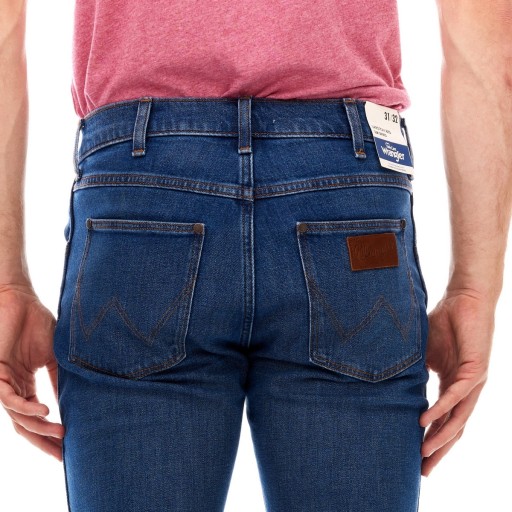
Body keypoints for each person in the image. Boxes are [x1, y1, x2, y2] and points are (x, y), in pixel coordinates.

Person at [0, 0, 510, 510]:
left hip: (143, 198)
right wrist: (473, 290)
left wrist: (7, 281)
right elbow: (483, 33)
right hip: (346, 202)